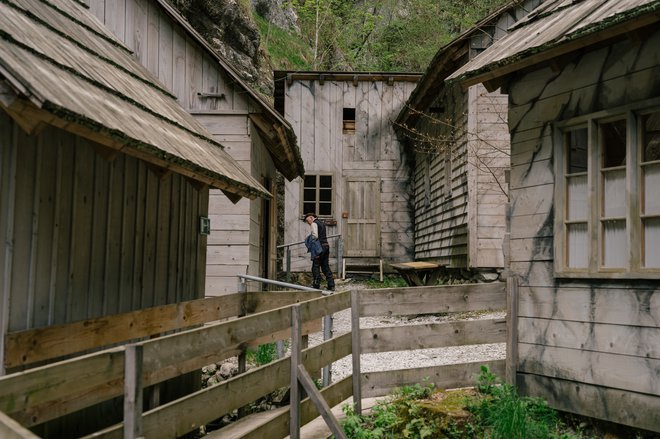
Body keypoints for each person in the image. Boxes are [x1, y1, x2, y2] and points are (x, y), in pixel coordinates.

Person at [304, 212, 335, 291]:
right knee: (325, 266)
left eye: (308, 221)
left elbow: (315, 236)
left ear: (311, 217)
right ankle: (331, 285)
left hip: (319, 248)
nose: (308, 223)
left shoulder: (314, 224)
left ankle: (316, 285)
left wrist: (310, 239)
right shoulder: (322, 223)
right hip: (326, 246)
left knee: (316, 266)